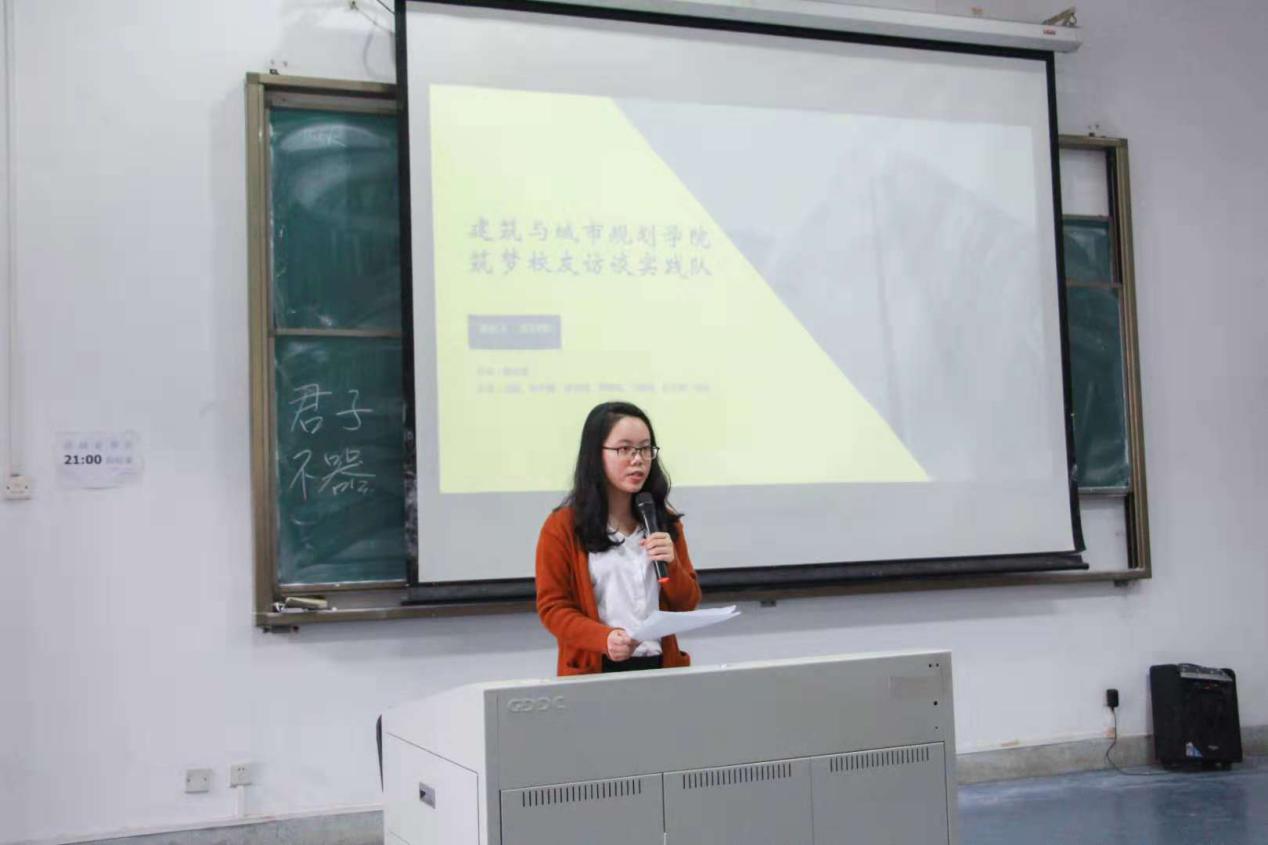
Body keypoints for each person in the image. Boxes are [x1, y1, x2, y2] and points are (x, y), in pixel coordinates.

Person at [536, 401, 701, 676]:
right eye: (624, 449)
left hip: (662, 668)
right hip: (596, 670)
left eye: (645, 449)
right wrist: (604, 638)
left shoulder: (664, 521)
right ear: (596, 455)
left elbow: (687, 604)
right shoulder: (562, 526)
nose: (638, 460)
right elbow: (553, 608)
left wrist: (671, 565)